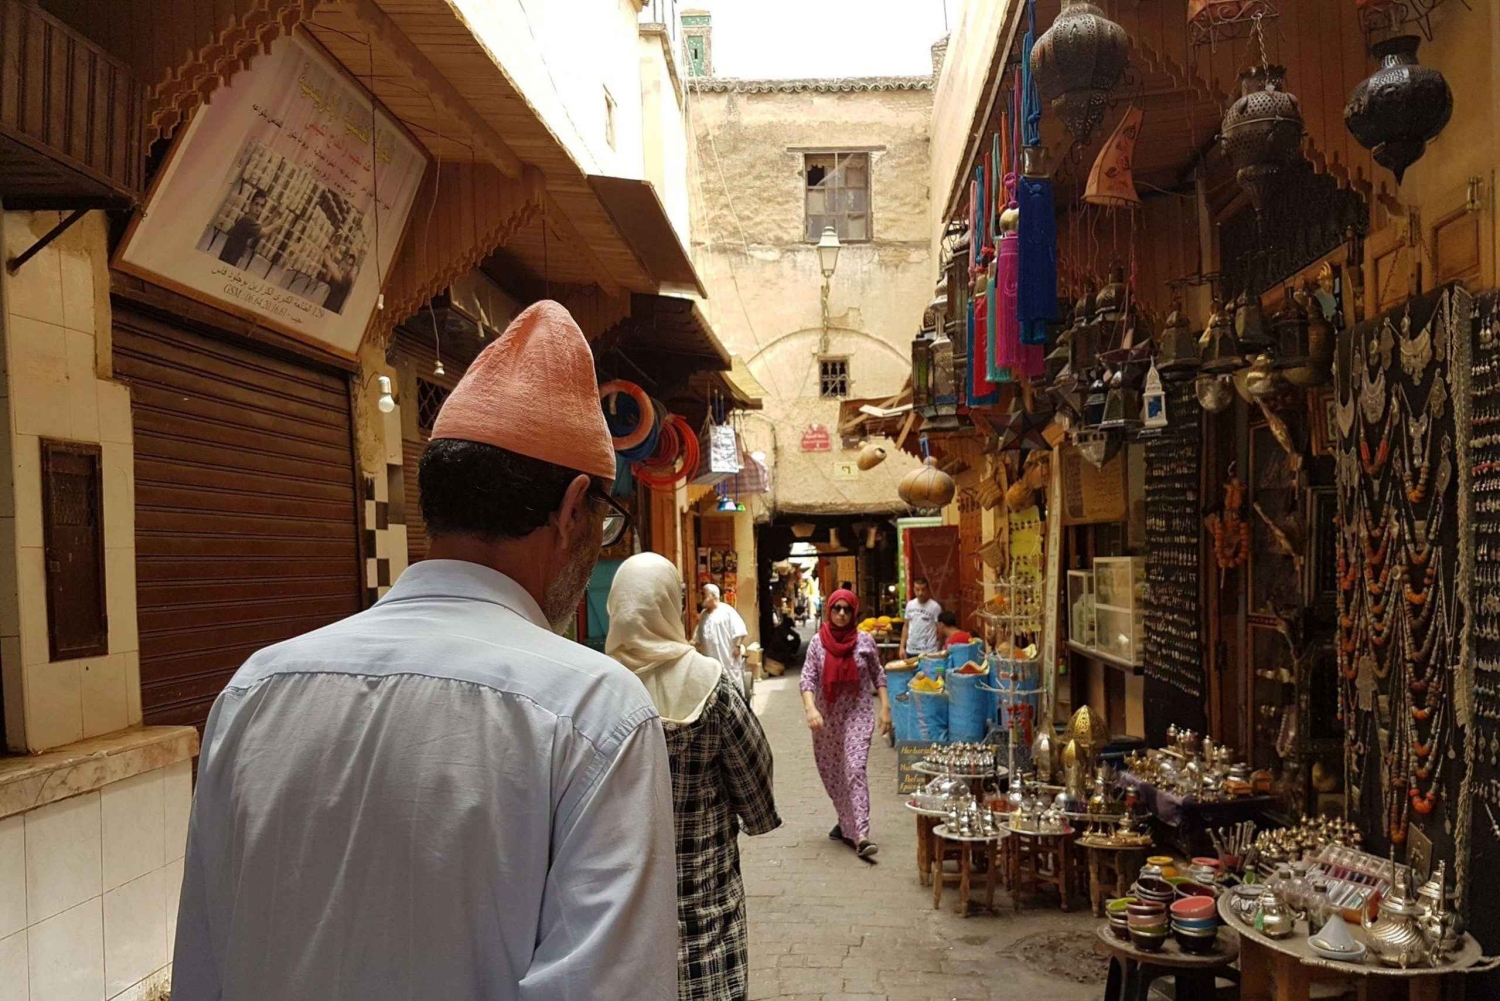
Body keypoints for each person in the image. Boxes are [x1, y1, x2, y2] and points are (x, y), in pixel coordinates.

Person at [171, 301, 679, 1001]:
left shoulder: (254, 692)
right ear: (570, 511)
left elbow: (203, 966)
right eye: (604, 519)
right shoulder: (594, 713)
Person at [606, 553, 781, 1001]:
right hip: (705, 914)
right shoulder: (711, 684)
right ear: (673, 604)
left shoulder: (594, 689)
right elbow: (756, 785)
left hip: (616, 923)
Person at [800, 588, 891, 860]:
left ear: (854, 612)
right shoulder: (818, 643)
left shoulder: (865, 641)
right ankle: (845, 820)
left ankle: (861, 834)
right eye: (837, 608)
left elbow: (878, 674)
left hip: (857, 714)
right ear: (829, 610)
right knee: (833, 773)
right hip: (827, 720)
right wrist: (811, 709)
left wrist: (885, 708)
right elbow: (807, 678)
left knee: (854, 768)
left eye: (847, 609)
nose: (841, 613)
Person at [694, 583, 748, 695]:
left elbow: (740, 630)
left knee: (731, 685)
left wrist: (737, 646)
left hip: (727, 657)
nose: (701, 597)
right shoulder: (704, 615)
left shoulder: (727, 611)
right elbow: (698, 638)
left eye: (704, 594)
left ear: (713, 596)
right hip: (710, 660)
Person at [217, 188, 281, 268]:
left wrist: (274, 215)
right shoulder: (248, 220)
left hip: (230, 258)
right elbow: (263, 232)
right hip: (228, 260)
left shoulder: (249, 220)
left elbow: (260, 227)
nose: (258, 209)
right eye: (256, 204)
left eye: (261, 206)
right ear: (250, 204)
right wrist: (276, 225)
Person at [898, 576, 942, 661]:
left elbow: (940, 630)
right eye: (917, 590)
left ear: (928, 590)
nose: (920, 593)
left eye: (923, 589)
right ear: (914, 590)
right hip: (911, 650)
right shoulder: (910, 605)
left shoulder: (935, 607)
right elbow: (906, 626)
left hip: (929, 651)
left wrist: (939, 648)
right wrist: (902, 647)